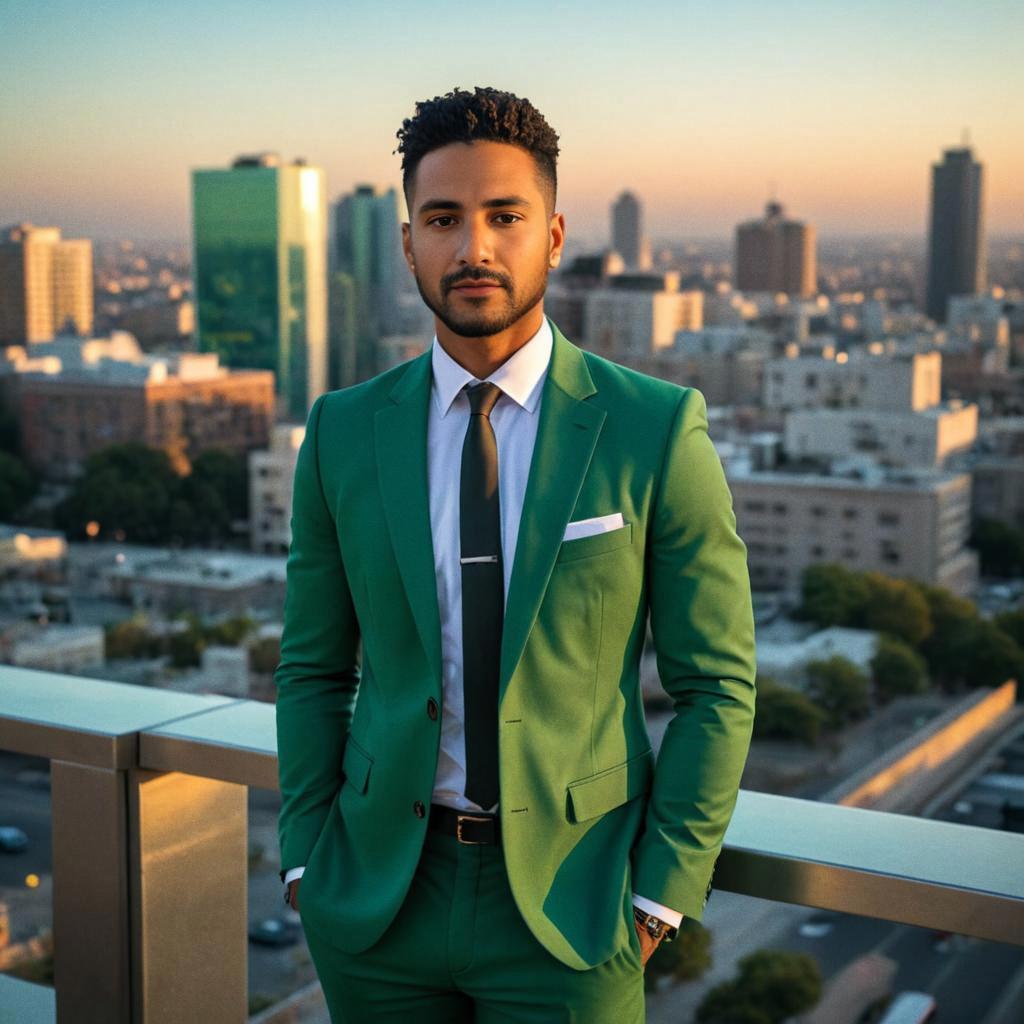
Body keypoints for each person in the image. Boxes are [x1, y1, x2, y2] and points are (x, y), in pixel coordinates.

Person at [275, 86, 757, 1023]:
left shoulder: (654, 429)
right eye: (443, 219)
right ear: (408, 242)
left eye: (505, 217)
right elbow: (311, 667)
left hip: (574, 910)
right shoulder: (340, 430)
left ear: (555, 232)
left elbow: (717, 683)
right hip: (377, 907)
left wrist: (660, 894)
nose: (474, 248)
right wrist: (305, 860)